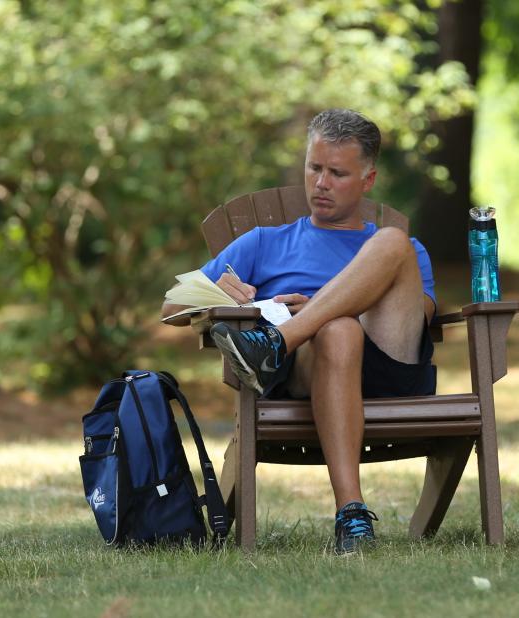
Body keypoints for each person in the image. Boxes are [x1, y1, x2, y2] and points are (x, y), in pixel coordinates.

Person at [161, 109, 437, 554]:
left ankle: (276, 342)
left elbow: (417, 316)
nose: (321, 183)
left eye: (337, 173)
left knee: (390, 243)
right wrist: (219, 294)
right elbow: (170, 307)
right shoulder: (263, 243)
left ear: (367, 180)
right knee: (339, 332)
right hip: (309, 372)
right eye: (314, 168)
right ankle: (352, 513)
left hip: (387, 366)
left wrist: (321, 308)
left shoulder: (403, 251)